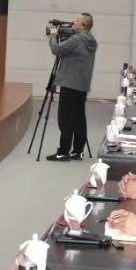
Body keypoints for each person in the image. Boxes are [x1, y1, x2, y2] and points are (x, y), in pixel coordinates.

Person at [45, 14, 97, 161]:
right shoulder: (91, 40)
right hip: (82, 85)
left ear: (83, 25)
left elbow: (56, 50)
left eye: (77, 21)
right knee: (79, 118)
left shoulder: (76, 40)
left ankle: (63, 152)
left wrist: (53, 35)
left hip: (70, 84)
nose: (74, 22)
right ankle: (78, 151)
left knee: (66, 119)